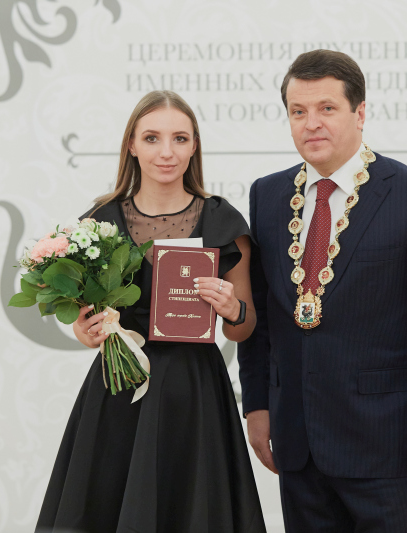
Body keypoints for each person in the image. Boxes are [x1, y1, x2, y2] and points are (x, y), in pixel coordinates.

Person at [238, 49, 407, 532]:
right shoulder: (267, 195)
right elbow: (261, 311)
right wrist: (258, 405)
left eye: (327, 108)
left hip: (387, 444)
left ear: (360, 112)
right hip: (297, 443)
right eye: (298, 111)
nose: (311, 123)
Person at [36, 90, 266, 533]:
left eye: (180, 138)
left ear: (194, 146)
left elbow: (244, 326)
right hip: (118, 389)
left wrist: (232, 309)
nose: (166, 152)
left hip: (194, 392)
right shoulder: (99, 221)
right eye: (152, 138)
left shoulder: (223, 221)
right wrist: (86, 331)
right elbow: (84, 321)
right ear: (132, 145)